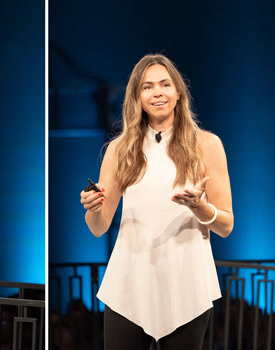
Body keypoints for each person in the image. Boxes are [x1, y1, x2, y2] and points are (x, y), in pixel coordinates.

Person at [79, 53, 233, 349]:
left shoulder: (207, 145)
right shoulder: (119, 150)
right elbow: (99, 228)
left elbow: (226, 225)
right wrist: (94, 207)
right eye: (147, 87)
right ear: (137, 97)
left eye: (165, 84)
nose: (157, 92)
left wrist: (201, 208)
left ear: (178, 93)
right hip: (129, 284)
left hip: (187, 284)